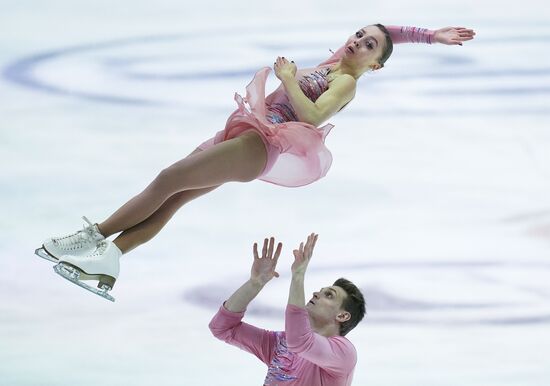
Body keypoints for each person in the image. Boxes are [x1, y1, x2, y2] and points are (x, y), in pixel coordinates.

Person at [35, 24, 476, 300]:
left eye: (369, 45)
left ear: (374, 65)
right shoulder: (337, 59)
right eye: (359, 35)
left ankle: (85, 241)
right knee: (174, 198)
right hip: (244, 131)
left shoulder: (346, 81)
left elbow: (315, 115)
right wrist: (427, 36)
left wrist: (288, 80)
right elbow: (387, 30)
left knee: (170, 178)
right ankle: (110, 259)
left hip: (261, 147)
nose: (358, 42)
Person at [209, 234, 366, 386]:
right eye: (321, 290)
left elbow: (299, 341)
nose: (316, 293)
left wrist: (298, 275)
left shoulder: (343, 353)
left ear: (343, 315)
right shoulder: (282, 344)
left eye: (329, 295)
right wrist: (254, 283)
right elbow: (222, 327)